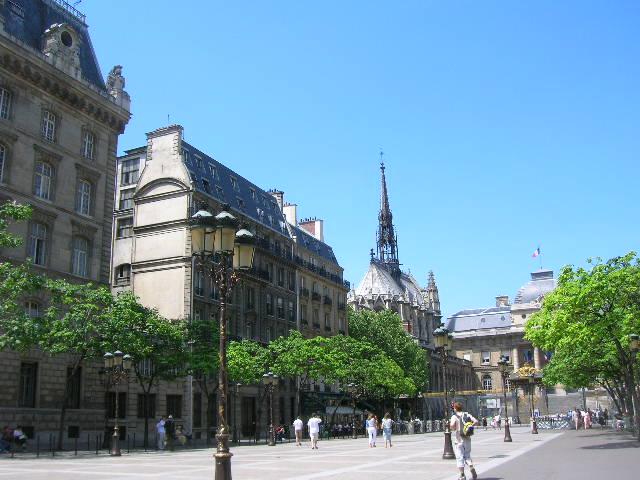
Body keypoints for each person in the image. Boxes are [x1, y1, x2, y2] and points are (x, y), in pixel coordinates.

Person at [450, 402, 478, 480]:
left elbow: (452, 427)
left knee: (459, 457)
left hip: (459, 440)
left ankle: (462, 475)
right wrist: (469, 426)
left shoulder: (454, 416)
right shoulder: (467, 414)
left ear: (455, 409)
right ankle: (471, 467)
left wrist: (453, 427)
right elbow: (476, 421)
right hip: (467, 438)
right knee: (467, 455)